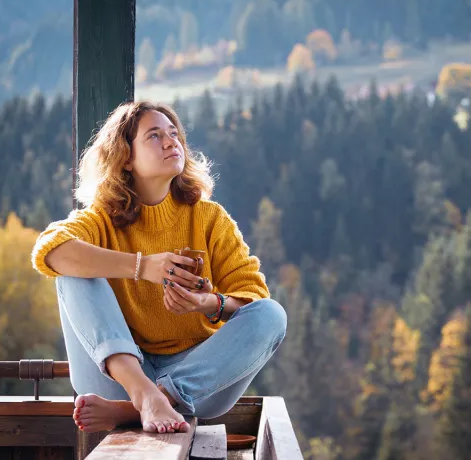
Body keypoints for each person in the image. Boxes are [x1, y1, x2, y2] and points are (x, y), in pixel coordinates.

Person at [31, 101, 287, 434]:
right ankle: (141, 394)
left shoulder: (210, 219)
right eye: (154, 136)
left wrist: (210, 303)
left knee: (272, 314)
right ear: (126, 157)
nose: (171, 142)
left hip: (196, 385)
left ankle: (143, 404)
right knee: (72, 271)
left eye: (173, 134)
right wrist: (142, 267)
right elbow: (48, 251)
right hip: (117, 375)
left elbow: (253, 298)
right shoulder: (100, 220)